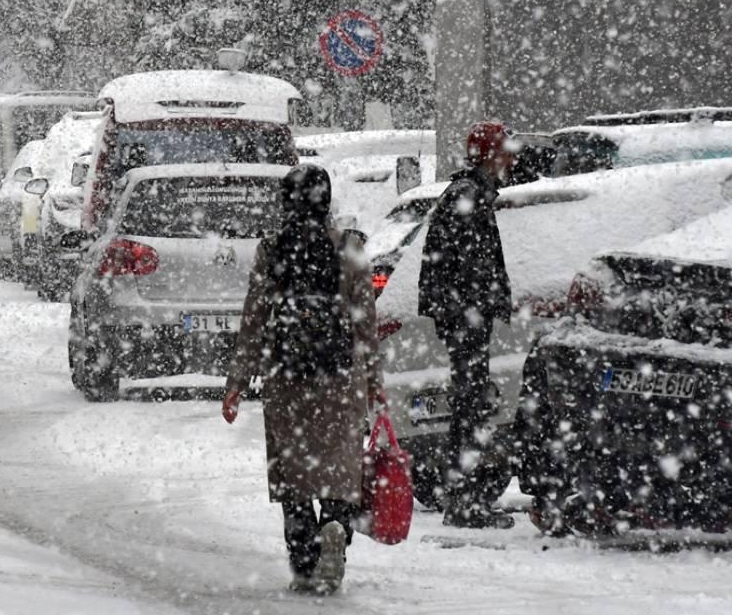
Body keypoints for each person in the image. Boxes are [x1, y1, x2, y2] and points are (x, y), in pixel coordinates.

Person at [221, 164, 384, 596]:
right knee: (337, 470)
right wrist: (375, 385)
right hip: (340, 376)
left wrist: (237, 381)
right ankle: (334, 527)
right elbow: (365, 323)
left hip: (286, 378)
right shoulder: (349, 248)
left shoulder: (272, 249)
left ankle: (304, 562)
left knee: (294, 478)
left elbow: (254, 319)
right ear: (326, 201)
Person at [418, 121, 518, 530]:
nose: (511, 159)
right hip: (466, 320)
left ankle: (464, 497)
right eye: (506, 151)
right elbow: (468, 269)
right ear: (491, 155)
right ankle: (465, 501)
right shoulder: (468, 197)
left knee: (470, 406)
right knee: (470, 408)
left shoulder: (468, 194)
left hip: (464, 318)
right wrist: (480, 308)